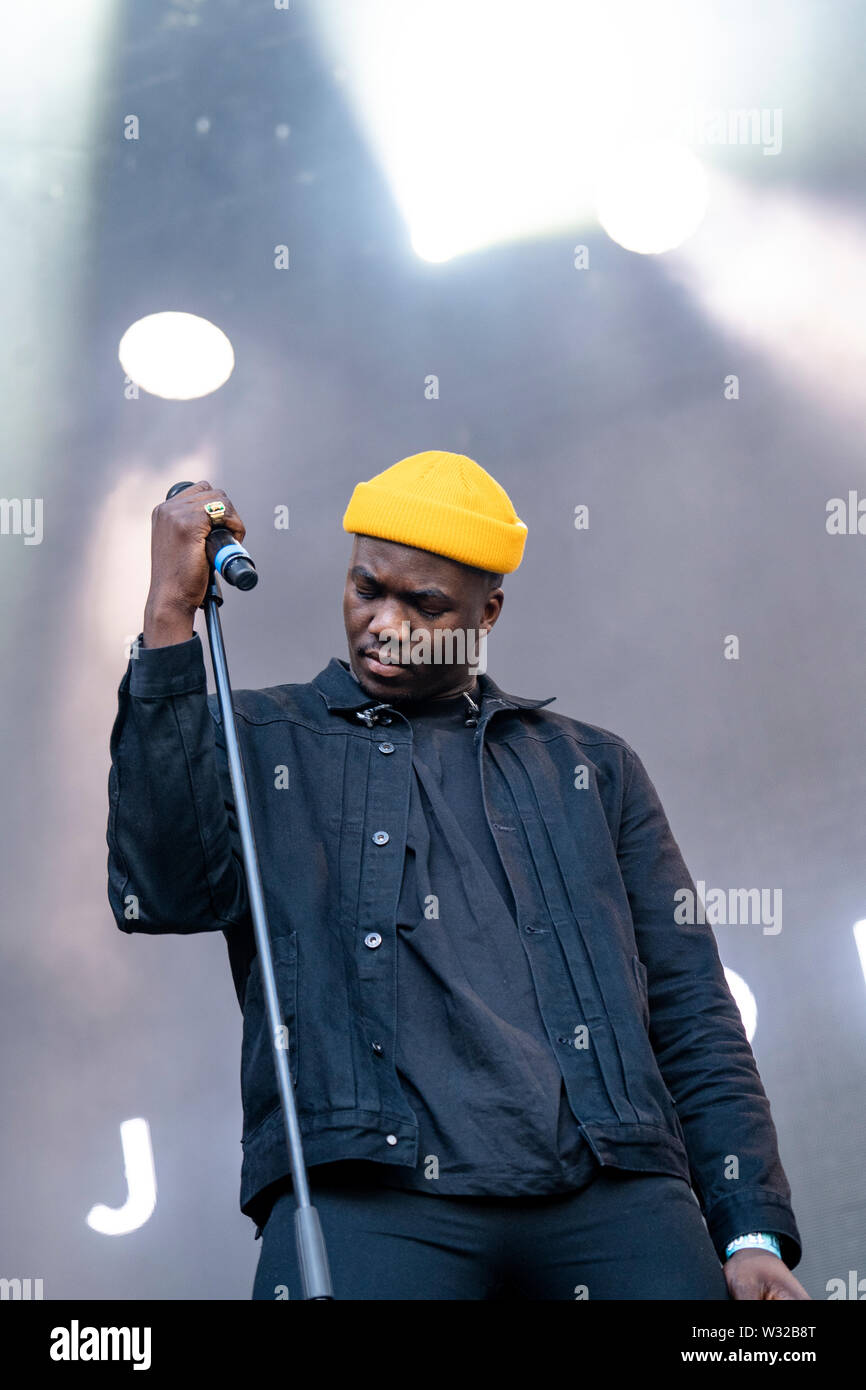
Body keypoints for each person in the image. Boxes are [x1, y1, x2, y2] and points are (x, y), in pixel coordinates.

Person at [106, 450, 808, 1300]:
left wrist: (750, 1228)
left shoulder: (590, 767)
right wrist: (169, 617)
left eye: (426, 604)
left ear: (490, 609)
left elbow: (693, 1005)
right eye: (368, 589)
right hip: (368, 1194)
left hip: (613, 1189)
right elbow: (166, 890)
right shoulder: (261, 736)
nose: (385, 622)